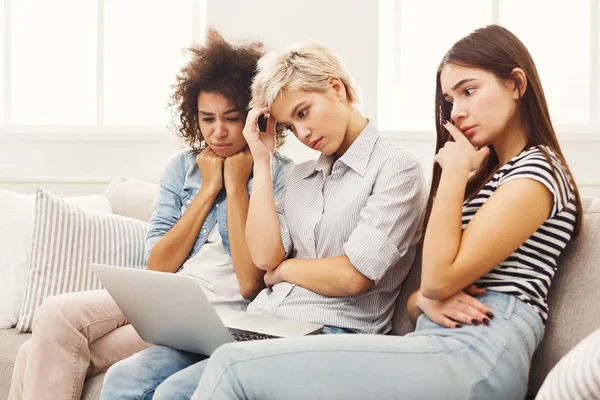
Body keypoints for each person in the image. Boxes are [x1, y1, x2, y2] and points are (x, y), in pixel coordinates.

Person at [189, 24, 584, 400]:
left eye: (468, 91)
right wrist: (425, 302)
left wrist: (452, 175)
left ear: (516, 84)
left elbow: (438, 279)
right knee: (210, 374)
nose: (457, 111)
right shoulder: (492, 177)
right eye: (450, 100)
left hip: (480, 352)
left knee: (230, 366)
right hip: (436, 340)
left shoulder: (537, 170)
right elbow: (423, 296)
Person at [100, 41, 427, 399]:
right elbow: (266, 258)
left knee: (175, 393)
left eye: (303, 112)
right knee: (124, 379)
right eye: (290, 123)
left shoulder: (396, 167)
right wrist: (260, 158)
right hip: (264, 320)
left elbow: (352, 276)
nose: (302, 134)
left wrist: (286, 272)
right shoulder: (302, 176)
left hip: (332, 331)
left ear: (336, 88)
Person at [8, 28, 292, 400]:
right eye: (207, 119)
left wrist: (237, 186)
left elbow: (249, 283)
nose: (218, 132)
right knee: (55, 314)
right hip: (165, 298)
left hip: (214, 316)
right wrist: (208, 189)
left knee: (33, 353)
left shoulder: (278, 175)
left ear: (256, 116)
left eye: (231, 118)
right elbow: (159, 266)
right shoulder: (184, 168)